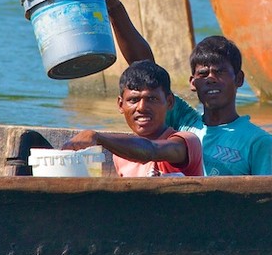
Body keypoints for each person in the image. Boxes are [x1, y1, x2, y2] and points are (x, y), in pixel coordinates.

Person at [104, 0, 272, 176]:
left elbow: (270, 197)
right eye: (203, 74)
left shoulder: (259, 141)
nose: (211, 79)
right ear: (192, 83)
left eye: (220, 72)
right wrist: (114, 7)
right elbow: (144, 68)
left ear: (239, 79)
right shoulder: (185, 123)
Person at [62, 59, 204, 177]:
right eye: (133, 100)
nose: (141, 107)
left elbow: (151, 151)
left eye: (152, 99)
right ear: (120, 104)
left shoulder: (186, 142)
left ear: (169, 102)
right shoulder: (120, 154)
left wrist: (96, 137)